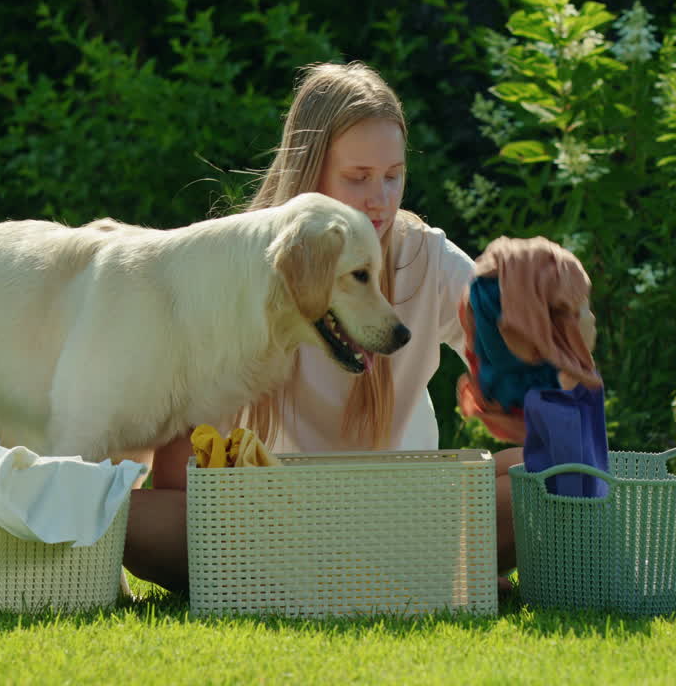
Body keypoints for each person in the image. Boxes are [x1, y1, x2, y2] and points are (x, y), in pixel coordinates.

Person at [122, 61, 526, 593]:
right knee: (128, 518)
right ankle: (414, 575)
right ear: (310, 176)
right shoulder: (242, 270)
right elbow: (176, 477)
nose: (380, 199)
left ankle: (355, 575)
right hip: (281, 520)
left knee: (543, 470)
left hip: (409, 510)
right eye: (358, 178)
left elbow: (521, 363)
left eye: (393, 175)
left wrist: (509, 381)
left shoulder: (426, 257)